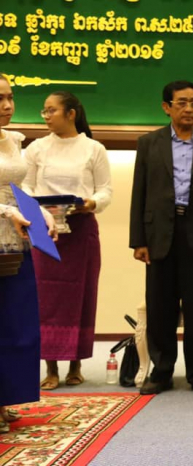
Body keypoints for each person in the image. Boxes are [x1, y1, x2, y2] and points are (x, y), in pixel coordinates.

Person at [129, 81, 193, 396]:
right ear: (166, 107)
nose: (189, 109)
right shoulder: (149, 143)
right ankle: (162, 370)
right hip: (159, 233)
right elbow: (139, 192)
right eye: (182, 103)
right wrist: (138, 240)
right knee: (160, 306)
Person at [23, 91, 112, 390]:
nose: (46, 116)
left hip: (81, 228)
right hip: (43, 229)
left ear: (71, 114)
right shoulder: (36, 148)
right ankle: (50, 368)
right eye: (44, 111)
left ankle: (76, 365)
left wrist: (90, 203)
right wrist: (39, 208)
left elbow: (105, 190)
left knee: (81, 294)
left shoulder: (93, 148)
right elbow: (25, 186)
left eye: (52, 110)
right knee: (44, 298)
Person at [0, 72, 56, 433]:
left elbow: (17, 188)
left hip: (15, 240)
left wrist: (41, 212)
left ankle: (6, 398)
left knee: (15, 322)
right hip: (5, 223)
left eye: (10, 97)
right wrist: (7, 211)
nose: (7, 105)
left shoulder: (14, 139)